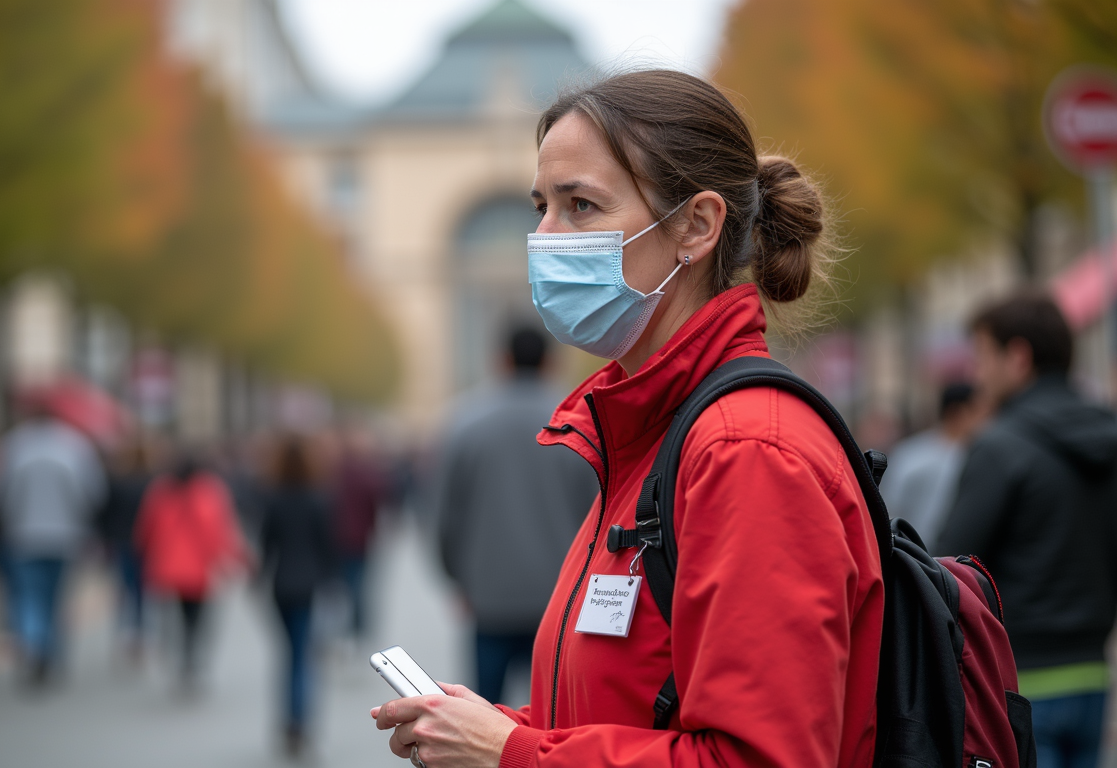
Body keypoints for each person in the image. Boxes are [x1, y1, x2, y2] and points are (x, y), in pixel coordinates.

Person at [372, 69, 883, 768]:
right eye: (540, 207)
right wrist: (496, 728)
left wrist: (513, 752)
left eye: (580, 205)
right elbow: (632, 708)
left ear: (696, 226)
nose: (544, 237)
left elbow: (759, 757)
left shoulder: (746, 450)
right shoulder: (651, 429)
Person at [936, 293, 1117, 768]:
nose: (976, 375)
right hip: (1093, 670)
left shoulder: (1001, 446)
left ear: (1017, 357)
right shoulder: (1108, 436)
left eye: (982, 357)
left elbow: (950, 566)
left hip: (1021, 678)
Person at [431, 327, 597, 706]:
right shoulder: (581, 423)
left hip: (490, 595)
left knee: (484, 710)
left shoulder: (465, 424)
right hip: (561, 597)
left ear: (502, 361)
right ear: (550, 362)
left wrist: (458, 578)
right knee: (552, 714)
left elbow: (445, 516)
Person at [0, 396, 105, 686]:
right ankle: (48, 651)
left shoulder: (13, 445)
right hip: (65, 536)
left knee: (29, 596)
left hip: (22, 535)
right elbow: (94, 491)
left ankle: (34, 644)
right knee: (55, 598)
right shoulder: (75, 445)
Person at [135, 451, 249, 694]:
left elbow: (146, 528)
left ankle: (180, 661)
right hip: (198, 568)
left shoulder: (160, 491)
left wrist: (145, 551)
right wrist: (231, 559)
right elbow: (218, 531)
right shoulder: (210, 491)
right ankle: (192, 662)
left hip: (167, 565)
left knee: (172, 618)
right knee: (197, 620)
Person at [261, 435, 337, 757]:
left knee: (289, 655)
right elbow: (328, 546)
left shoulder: (274, 499)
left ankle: (290, 722)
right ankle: (301, 721)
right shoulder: (318, 500)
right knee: (303, 656)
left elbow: (266, 546)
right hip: (309, 585)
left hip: (281, 584)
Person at [879, 381, 978, 541]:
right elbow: (889, 508)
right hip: (917, 549)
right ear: (958, 412)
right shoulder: (911, 457)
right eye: (979, 410)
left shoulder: (908, 453)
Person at [330, 425, 387, 645]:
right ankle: (356, 630)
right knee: (358, 586)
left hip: (339, 538)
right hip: (359, 538)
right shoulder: (366, 472)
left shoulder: (332, 471)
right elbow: (377, 501)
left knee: (343, 587)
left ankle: (346, 630)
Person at [97, 440, 153, 661]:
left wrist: (105, 539)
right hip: (146, 544)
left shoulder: (117, 483)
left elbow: (106, 514)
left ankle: (124, 632)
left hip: (122, 542)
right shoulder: (152, 483)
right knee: (143, 590)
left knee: (124, 587)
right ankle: (140, 631)